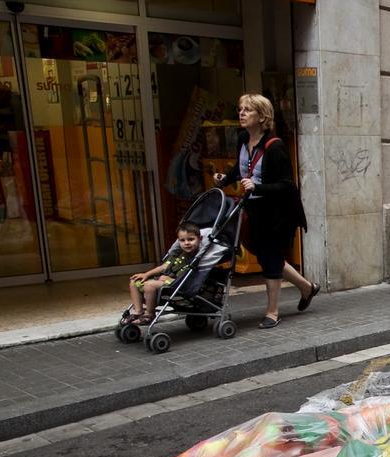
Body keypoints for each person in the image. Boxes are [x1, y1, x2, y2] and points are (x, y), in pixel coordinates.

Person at [214, 93, 317, 329]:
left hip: (275, 213)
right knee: (268, 257)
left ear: (262, 117)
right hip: (253, 210)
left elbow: (287, 185)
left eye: (247, 110)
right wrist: (225, 179)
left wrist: (258, 186)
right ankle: (307, 288)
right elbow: (241, 170)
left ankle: (272, 312)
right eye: (240, 109)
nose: (241, 113)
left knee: (270, 259)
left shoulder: (275, 147)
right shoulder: (242, 139)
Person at [127, 222, 202, 324]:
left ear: (200, 239)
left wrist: (169, 279)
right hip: (167, 280)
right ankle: (138, 312)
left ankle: (149, 314)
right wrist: (146, 274)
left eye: (191, 239)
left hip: (179, 284)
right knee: (134, 281)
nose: (187, 243)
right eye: (182, 240)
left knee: (149, 285)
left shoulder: (197, 258)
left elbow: (191, 279)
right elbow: (163, 267)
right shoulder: (178, 254)